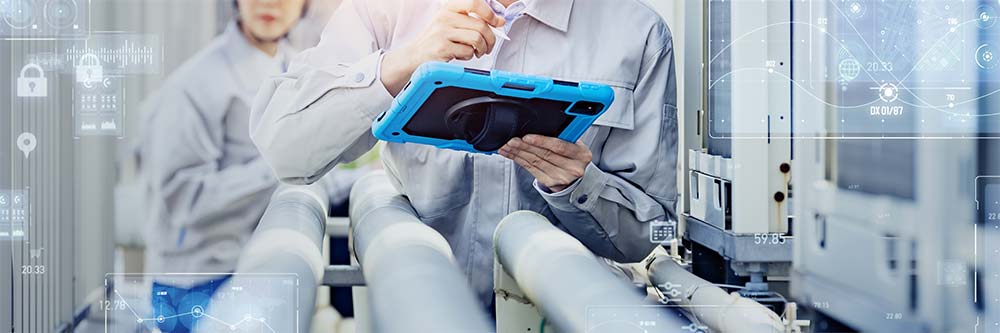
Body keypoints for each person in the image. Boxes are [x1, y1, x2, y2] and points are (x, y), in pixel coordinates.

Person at [250, 0, 678, 310]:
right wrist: (402, 63)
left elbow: (649, 233)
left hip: (563, 314)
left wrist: (578, 187)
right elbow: (286, 149)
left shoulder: (636, 33)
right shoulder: (384, 12)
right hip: (416, 315)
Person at [137, 0, 313, 331]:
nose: (271, 2)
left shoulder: (296, 69)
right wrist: (283, 167)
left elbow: (310, 160)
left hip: (253, 265)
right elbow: (183, 199)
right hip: (194, 282)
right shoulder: (194, 84)